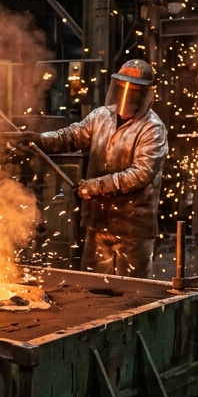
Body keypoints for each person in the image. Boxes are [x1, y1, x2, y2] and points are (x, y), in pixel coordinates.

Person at [17, 58, 168, 278]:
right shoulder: (101, 116)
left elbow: (141, 174)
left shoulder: (152, 128)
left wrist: (95, 187)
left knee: (134, 295)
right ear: (116, 87)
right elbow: (71, 135)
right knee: (94, 292)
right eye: (123, 88)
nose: (127, 96)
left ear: (146, 94)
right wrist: (41, 140)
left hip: (132, 230)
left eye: (134, 91)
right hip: (97, 224)